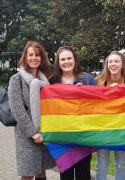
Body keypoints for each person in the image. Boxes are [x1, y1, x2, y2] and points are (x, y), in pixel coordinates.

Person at [8, 41, 55, 180]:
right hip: (26, 135)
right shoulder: (16, 79)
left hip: (44, 131)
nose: (34, 58)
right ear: (25, 57)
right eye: (31, 55)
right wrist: (33, 133)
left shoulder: (45, 80)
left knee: (41, 172)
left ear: (42, 58)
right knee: (28, 173)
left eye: (37, 55)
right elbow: (17, 110)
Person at [48, 46, 96, 180]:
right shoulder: (52, 82)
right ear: (58, 62)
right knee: (66, 175)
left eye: (69, 58)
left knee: (83, 173)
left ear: (75, 59)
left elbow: (98, 106)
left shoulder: (87, 79)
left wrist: (85, 94)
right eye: (63, 59)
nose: (66, 62)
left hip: (84, 136)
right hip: (62, 137)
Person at [95, 51, 125, 180]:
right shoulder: (99, 81)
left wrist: (120, 92)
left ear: (122, 64)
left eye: (116, 61)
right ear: (107, 64)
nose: (113, 64)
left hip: (122, 130)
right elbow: (92, 103)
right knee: (101, 163)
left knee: (121, 164)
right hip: (103, 130)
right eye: (110, 61)